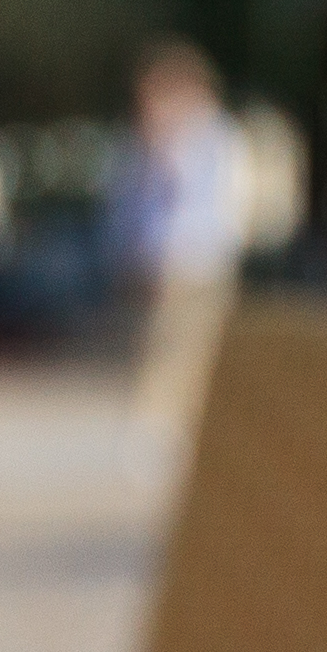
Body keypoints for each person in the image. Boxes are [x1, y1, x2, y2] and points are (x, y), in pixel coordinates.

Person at [111, 41, 251, 431]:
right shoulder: (151, 141)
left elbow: (214, 207)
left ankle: (171, 430)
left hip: (196, 263)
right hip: (161, 262)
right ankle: (160, 427)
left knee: (186, 355)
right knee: (159, 352)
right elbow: (131, 207)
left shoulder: (210, 138)